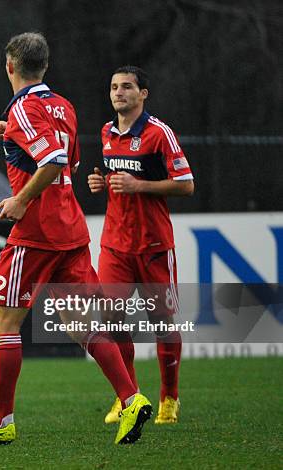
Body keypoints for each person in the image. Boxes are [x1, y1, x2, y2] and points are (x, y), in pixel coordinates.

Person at [0, 32, 152, 446]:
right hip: (70, 227)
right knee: (81, 324)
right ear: (44, 67)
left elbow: (52, 160)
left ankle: (0, 421)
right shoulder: (61, 106)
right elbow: (69, 163)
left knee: (2, 321)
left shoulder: (24, 107)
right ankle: (131, 398)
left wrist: (21, 199)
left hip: (36, 231)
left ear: (10, 66)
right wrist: (12, 136)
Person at [87, 65, 194, 426]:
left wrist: (140, 186)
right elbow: (118, 179)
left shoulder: (158, 133)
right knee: (111, 319)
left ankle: (169, 398)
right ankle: (128, 397)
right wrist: (101, 183)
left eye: (127, 87)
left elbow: (186, 184)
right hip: (116, 244)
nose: (119, 92)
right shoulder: (105, 132)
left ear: (143, 93)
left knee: (163, 323)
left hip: (153, 245)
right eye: (114, 86)